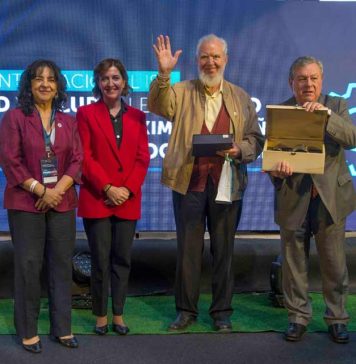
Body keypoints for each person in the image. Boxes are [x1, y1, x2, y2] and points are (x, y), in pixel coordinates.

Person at [148, 34, 264, 332]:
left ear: (225, 60)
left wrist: (241, 150)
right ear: (196, 60)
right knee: (188, 250)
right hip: (189, 182)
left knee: (224, 251)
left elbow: (256, 139)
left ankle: (221, 312)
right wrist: (163, 73)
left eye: (215, 57)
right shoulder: (181, 91)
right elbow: (158, 106)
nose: (210, 63)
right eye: (204, 57)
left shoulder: (240, 96)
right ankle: (186, 311)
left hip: (228, 183)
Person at [269, 56, 356, 343]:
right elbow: (271, 160)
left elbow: (351, 137)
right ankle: (297, 317)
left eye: (314, 78)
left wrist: (326, 116)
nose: (308, 84)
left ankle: (337, 318)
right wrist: (278, 172)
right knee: (293, 264)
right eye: (302, 78)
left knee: (334, 264)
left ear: (321, 80)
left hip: (330, 198)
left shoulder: (336, 106)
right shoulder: (280, 111)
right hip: (294, 198)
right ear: (291, 82)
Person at [0, 60, 82, 353]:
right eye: (38, 79)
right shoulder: (15, 118)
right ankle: (28, 331)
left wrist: (56, 191)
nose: (45, 84)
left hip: (62, 202)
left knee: (61, 265)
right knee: (29, 265)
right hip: (26, 203)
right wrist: (39, 189)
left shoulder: (68, 121)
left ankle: (62, 329)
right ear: (29, 85)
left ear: (58, 86)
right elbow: (10, 160)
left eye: (51, 79)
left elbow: (76, 160)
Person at [77, 58, 150, 336]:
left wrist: (127, 190)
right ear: (98, 83)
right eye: (105, 78)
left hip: (127, 201)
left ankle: (118, 314)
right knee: (100, 260)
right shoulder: (85, 113)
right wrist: (108, 188)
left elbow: (143, 158)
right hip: (98, 199)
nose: (111, 83)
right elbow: (85, 157)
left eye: (116, 77)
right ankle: (100, 315)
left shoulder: (137, 116)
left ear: (124, 82)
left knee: (122, 259)